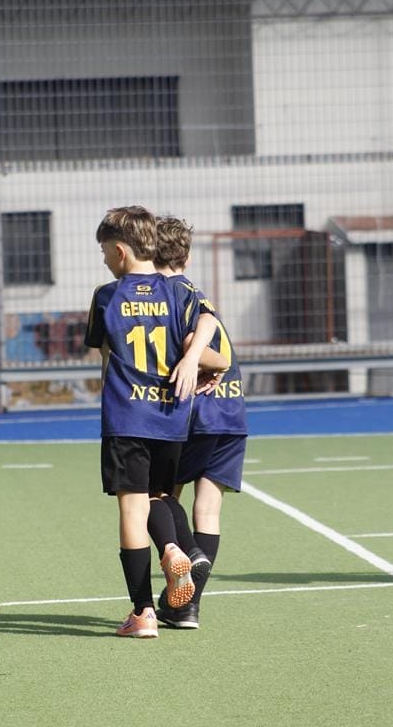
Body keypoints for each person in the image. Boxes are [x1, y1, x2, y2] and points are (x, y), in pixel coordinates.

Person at [84, 206, 228, 638]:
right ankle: (174, 547)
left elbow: (104, 356)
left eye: (106, 252)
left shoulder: (106, 296)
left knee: (132, 509)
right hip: (170, 416)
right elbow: (209, 319)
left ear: (121, 251)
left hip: (127, 416)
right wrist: (198, 360)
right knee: (161, 496)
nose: (105, 260)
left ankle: (143, 612)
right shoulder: (180, 293)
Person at [153, 215, 248, 629]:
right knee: (207, 509)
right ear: (187, 257)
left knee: (158, 496)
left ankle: (188, 555)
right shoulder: (199, 294)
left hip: (196, 412)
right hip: (233, 411)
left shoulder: (165, 296)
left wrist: (200, 361)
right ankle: (186, 608)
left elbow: (195, 342)